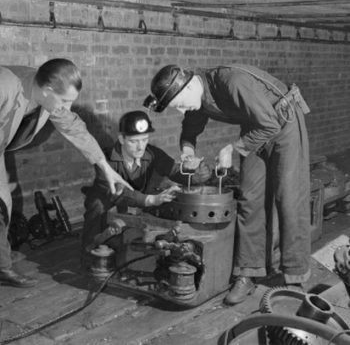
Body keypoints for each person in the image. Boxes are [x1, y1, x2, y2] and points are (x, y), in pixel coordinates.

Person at [144, 64, 311, 305]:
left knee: (288, 198)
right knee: (249, 199)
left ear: (189, 85)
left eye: (180, 103)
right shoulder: (196, 96)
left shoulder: (230, 81)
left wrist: (232, 149)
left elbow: (270, 124)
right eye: (176, 107)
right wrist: (187, 152)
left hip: (284, 123)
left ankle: (295, 277)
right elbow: (190, 128)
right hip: (256, 128)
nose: (182, 110)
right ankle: (248, 272)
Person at [0, 58, 132, 288]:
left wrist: (107, 169)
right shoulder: (4, 85)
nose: (67, 107)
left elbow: (75, 129)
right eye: (65, 101)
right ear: (49, 90)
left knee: (2, 206)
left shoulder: (46, 93)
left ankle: (1, 267)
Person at [81, 110, 210, 257]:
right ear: (122, 139)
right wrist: (151, 200)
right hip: (110, 199)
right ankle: (88, 255)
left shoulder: (152, 153)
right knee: (97, 206)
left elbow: (174, 170)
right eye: (134, 141)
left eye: (144, 139)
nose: (140, 147)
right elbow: (119, 192)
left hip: (139, 201)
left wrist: (197, 174)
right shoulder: (104, 159)